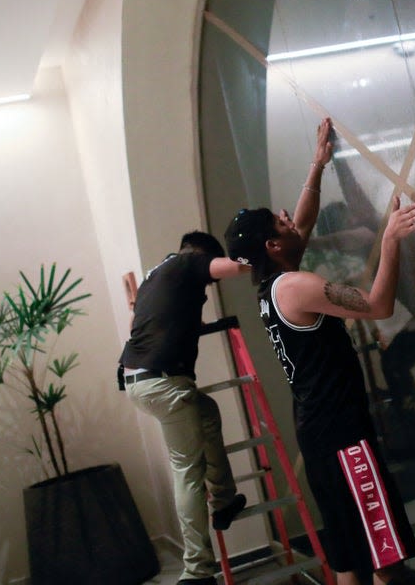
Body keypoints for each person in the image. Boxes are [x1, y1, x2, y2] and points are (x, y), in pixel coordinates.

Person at [225, 117, 415, 585]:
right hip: (343, 436)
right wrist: (391, 238)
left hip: (320, 433)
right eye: (280, 221)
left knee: (348, 558)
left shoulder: (272, 282)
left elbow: (304, 219)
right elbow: (377, 306)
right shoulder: (297, 285)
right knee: (383, 559)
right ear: (274, 245)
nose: (290, 217)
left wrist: (318, 165)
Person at [119, 230, 250, 585]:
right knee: (187, 472)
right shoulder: (191, 260)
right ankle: (197, 571)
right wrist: (259, 253)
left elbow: (141, 324)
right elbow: (235, 268)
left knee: (206, 412)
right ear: (202, 254)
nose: (207, 286)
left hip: (138, 380)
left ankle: (223, 499)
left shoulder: (154, 275)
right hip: (164, 382)